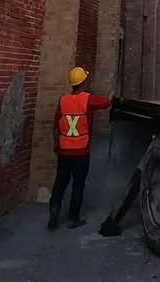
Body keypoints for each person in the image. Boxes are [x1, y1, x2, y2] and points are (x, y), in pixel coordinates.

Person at [48, 66, 111, 230]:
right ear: (83, 82)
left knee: (60, 183)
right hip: (81, 151)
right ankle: (73, 218)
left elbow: (55, 127)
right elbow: (105, 102)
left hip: (64, 150)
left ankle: (54, 211)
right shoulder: (87, 99)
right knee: (78, 184)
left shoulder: (63, 100)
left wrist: (56, 145)